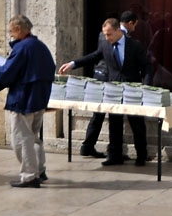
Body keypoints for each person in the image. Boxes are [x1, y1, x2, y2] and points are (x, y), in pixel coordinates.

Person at [57, 17, 152, 167]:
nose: (107, 38)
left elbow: (146, 66)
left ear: (118, 30)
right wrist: (73, 64)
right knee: (114, 123)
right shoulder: (105, 45)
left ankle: (141, 155)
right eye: (105, 34)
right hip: (113, 89)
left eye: (109, 34)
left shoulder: (134, 45)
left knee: (137, 123)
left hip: (132, 90)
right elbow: (93, 56)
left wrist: (146, 86)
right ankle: (115, 155)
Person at [0, 14, 56, 188]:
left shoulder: (22, 48)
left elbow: (6, 74)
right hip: (39, 99)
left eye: (11, 31)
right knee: (33, 137)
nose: (11, 35)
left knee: (21, 139)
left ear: (19, 29)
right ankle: (39, 170)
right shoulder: (40, 46)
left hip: (23, 99)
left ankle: (29, 176)